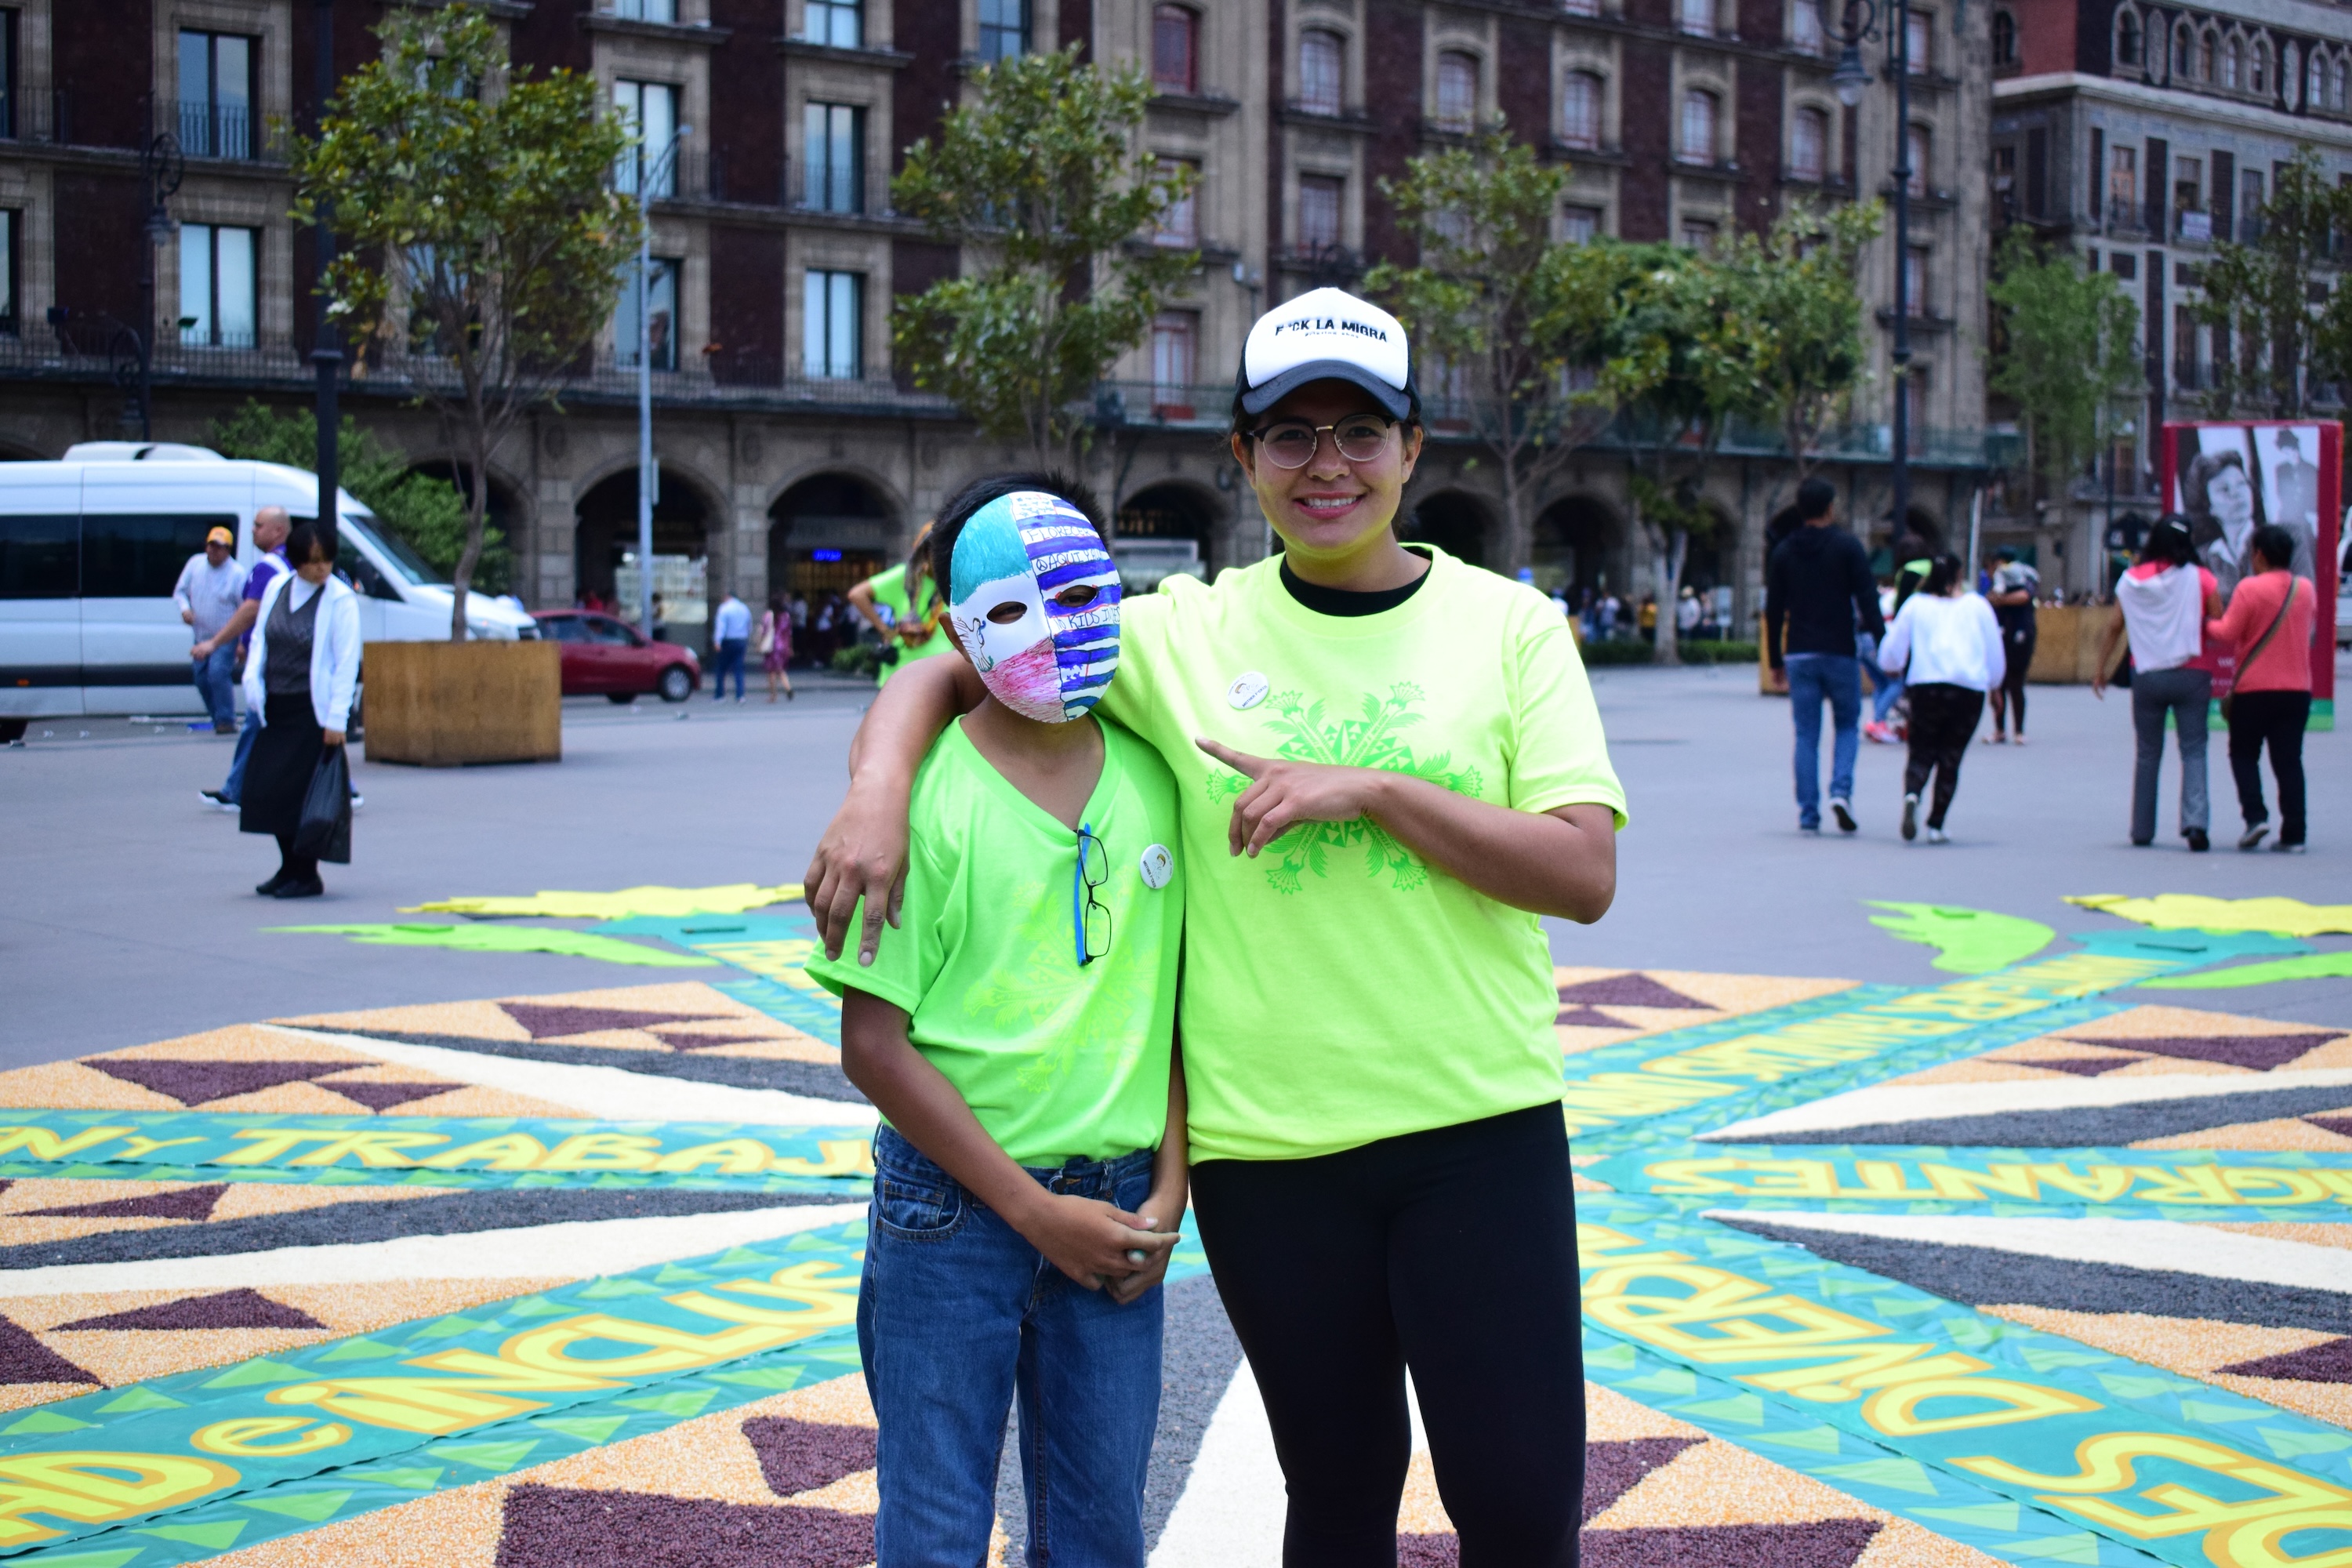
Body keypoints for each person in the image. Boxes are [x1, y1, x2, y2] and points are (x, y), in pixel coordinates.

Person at [806, 287, 1623, 1565]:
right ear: (1241, 459)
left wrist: (1378, 792)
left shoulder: (1510, 628)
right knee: (1339, 1493)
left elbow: (1582, 873)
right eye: (1289, 435)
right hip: (1270, 1152)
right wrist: (876, 789)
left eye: (1362, 430)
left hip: (1478, 1128)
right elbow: (950, 665)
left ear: (1416, 446)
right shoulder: (1177, 634)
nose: (1328, 464)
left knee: (1519, 1507)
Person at [807, 476, 1185, 1566]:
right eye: (1017, 608)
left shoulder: (1158, 779)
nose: (1058, 633)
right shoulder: (923, 809)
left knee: (1100, 1527)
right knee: (933, 1524)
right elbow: (871, 1044)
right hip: (951, 1218)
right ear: (958, 622)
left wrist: (1172, 1180)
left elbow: (1166, 1003)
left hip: (1119, 1210)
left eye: (1082, 595)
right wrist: (1031, 1212)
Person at [238, 520, 360, 899]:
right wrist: (253, 684)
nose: (320, 569)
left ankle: (306, 873)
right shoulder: (278, 587)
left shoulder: (339, 599)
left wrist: (338, 720)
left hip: (313, 712)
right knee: (270, 791)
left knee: (301, 796)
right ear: (296, 561)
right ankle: (287, 867)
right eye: (311, 562)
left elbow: (346, 662)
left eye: (325, 561)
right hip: (276, 706)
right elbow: (261, 638)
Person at [2092, 517, 2221, 851]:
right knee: (2193, 749)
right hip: (2193, 674)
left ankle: (2141, 829)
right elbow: (2218, 619)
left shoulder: (2131, 580)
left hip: (2147, 674)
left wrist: (2101, 669)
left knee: (2148, 752)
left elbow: (2114, 626)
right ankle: (2195, 824)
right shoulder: (2202, 578)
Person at [1766, 477, 1883, 834]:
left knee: (1806, 734)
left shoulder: (1784, 551)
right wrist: (1885, 644)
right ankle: (1841, 792)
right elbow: (1867, 598)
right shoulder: (1848, 548)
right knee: (1847, 724)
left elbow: (1774, 610)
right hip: (1840, 651)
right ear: (1831, 507)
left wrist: (1775, 659)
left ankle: (1808, 812)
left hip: (1799, 653)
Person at [1877, 553, 2003, 844]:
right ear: (1960, 575)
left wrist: (1893, 667)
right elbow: (1994, 654)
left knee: (1921, 749)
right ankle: (1937, 823)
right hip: (1968, 689)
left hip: (1926, 685)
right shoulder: (1977, 606)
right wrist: (1994, 684)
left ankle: (1912, 793)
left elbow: (1891, 653)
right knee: (1951, 755)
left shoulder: (1916, 605)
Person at [2209, 523, 2317, 852]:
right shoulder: (2305, 589)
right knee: (2288, 761)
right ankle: (2295, 834)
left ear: (2259, 554)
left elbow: (2227, 633)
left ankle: (2256, 817)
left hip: (2253, 690)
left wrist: (2204, 622)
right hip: (2296, 689)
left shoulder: (2249, 589)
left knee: (2243, 754)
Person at [198, 506, 292, 811]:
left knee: (259, 721)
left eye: (258, 525)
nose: (252, 530)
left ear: (278, 530)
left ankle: (235, 791)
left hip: (272, 659)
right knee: (275, 725)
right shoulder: (292, 562)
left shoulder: (267, 567)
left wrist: (215, 642)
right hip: (288, 657)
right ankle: (235, 789)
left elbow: (251, 610)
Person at [850, 526, 957, 686]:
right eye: (935, 550)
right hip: (902, 672)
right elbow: (857, 594)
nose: (941, 556)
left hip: (942, 674)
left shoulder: (958, 581)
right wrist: (884, 629)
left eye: (946, 551)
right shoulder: (905, 576)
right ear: (924, 553)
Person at [175, 526, 245, 735]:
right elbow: (180, 591)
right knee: (200, 677)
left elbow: (244, 609)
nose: (215, 551)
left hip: (225, 636)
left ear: (229, 550)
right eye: (212, 546)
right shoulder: (195, 564)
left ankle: (226, 719)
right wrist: (185, 609)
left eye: (221, 548)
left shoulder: (236, 574)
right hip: (201, 635)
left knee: (217, 673)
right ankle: (217, 717)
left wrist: (242, 641)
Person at [2182, 447, 2261, 600]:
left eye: (2241, 484)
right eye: (2224, 490)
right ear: (2209, 506)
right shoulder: (2202, 556)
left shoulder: (2273, 544)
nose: (2236, 494)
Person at [1984, 546, 2040, 744]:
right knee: (1999, 683)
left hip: (2019, 633)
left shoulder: (2019, 577)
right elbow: (1990, 599)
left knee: (2015, 682)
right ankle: (2000, 729)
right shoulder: (2003, 580)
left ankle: (2019, 731)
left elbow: (2024, 596)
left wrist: (2001, 600)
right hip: (2002, 633)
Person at [710, 590, 752, 702]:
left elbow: (721, 626)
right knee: (739, 669)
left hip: (728, 641)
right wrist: (746, 636)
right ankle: (740, 695)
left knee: (721, 669)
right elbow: (749, 625)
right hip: (741, 640)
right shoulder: (744, 608)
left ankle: (720, 695)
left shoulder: (724, 608)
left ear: (727, 597)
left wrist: (717, 641)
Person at [759, 591, 796, 702]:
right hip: (783, 645)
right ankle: (788, 687)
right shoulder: (786, 616)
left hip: (771, 646)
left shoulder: (768, 616)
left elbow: (764, 632)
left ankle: (773, 695)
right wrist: (790, 647)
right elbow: (789, 633)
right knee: (781, 670)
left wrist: (760, 644)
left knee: (771, 672)